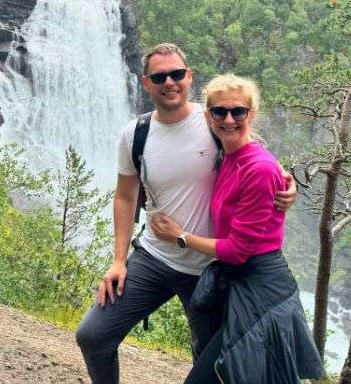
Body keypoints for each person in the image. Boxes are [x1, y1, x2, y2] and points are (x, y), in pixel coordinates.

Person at [75, 44, 297, 384]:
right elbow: (124, 196)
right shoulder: (135, 135)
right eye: (159, 76)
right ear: (145, 82)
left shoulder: (213, 120)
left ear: (189, 77)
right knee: (93, 335)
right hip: (154, 256)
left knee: (211, 364)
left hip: (211, 269)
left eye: (177, 74)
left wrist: (285, 184)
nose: (169, 82)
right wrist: (118, 261)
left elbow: (253, 154)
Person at [150, 74, 323, 384]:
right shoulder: (226, 154)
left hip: (259, 288)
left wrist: (180, 236)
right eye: (219, 112)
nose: (228, 119)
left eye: (238, 111)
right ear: (208, 116)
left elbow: (238, 251)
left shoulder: (258, 167)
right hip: (237, 283)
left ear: (251, 114)